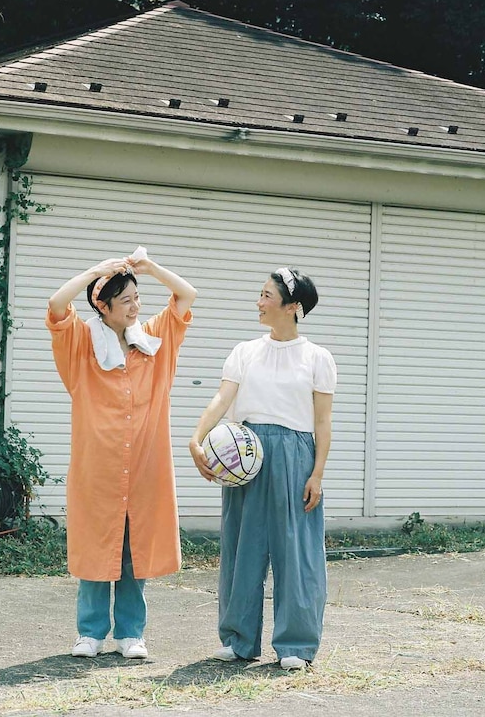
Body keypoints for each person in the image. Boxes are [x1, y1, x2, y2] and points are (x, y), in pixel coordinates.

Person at [46, 246, 197, 659]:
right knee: (97, 548)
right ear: (104, 306)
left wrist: (150, 268)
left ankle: (131, 634)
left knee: (136, 551)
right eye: (126, 300)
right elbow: (57, 305)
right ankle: (90, 633)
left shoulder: (154, 342)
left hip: (145, 467)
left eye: (137, 297)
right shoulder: (80, 344)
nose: (135, 307)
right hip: (97, 468)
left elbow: (186, 295)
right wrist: (94, 270)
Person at [189, 267, 336, 671]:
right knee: (242, 547)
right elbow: (223, 399)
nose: (259, 302)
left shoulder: (317, 358)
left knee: (296, 551)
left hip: (295, 453)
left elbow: (323, 421)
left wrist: (317, 473)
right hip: (246, 453)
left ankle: (296, 644)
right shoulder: (244, 351)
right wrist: (197, 437)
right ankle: (238, 640)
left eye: (267, 296)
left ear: (292, 307)